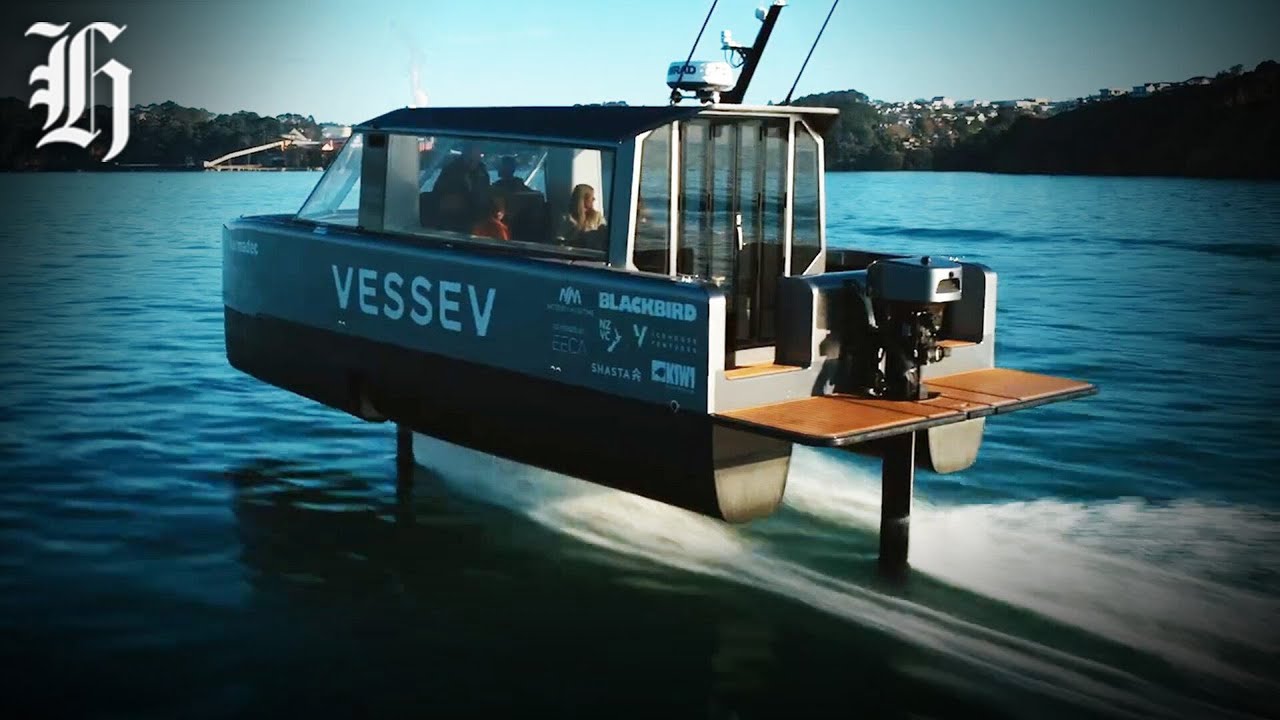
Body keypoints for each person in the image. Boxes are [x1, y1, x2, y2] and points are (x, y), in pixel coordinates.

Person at [433, 143, 490, 232]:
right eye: (470, 154)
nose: (473, 158)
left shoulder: (482, 172)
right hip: (452, 223)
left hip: (478, 221)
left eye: (477, 155)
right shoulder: (450, 171)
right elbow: (438, 196)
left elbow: (485, 196)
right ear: (464, 153)